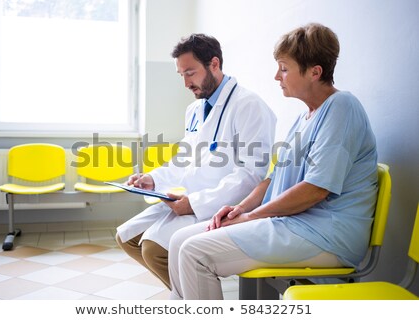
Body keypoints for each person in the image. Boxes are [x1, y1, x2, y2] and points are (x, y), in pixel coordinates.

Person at [168, 23, 378, 300]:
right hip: (293, 223)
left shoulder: (342, 108)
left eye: (284, 68)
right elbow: (272, 179)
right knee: (178, 241)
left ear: (315, 72)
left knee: (195, 253)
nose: (277, 76)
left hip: (326, 234)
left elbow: (316, 188)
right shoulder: (304, 118)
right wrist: (237, 209)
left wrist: (250, 217)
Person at [115, 33, 277, 289]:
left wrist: (196, 204)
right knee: (127, 237)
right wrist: (153, 178)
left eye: (190, 72)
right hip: (188, 200)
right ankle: (191, 295)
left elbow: (251, 175)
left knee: (153, 250)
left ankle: (194, 300)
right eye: (182, 75)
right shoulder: (195, 109)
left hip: (221, 205)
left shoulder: (248, 106)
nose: (186, 83)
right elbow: (183, 159)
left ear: (214, 64)